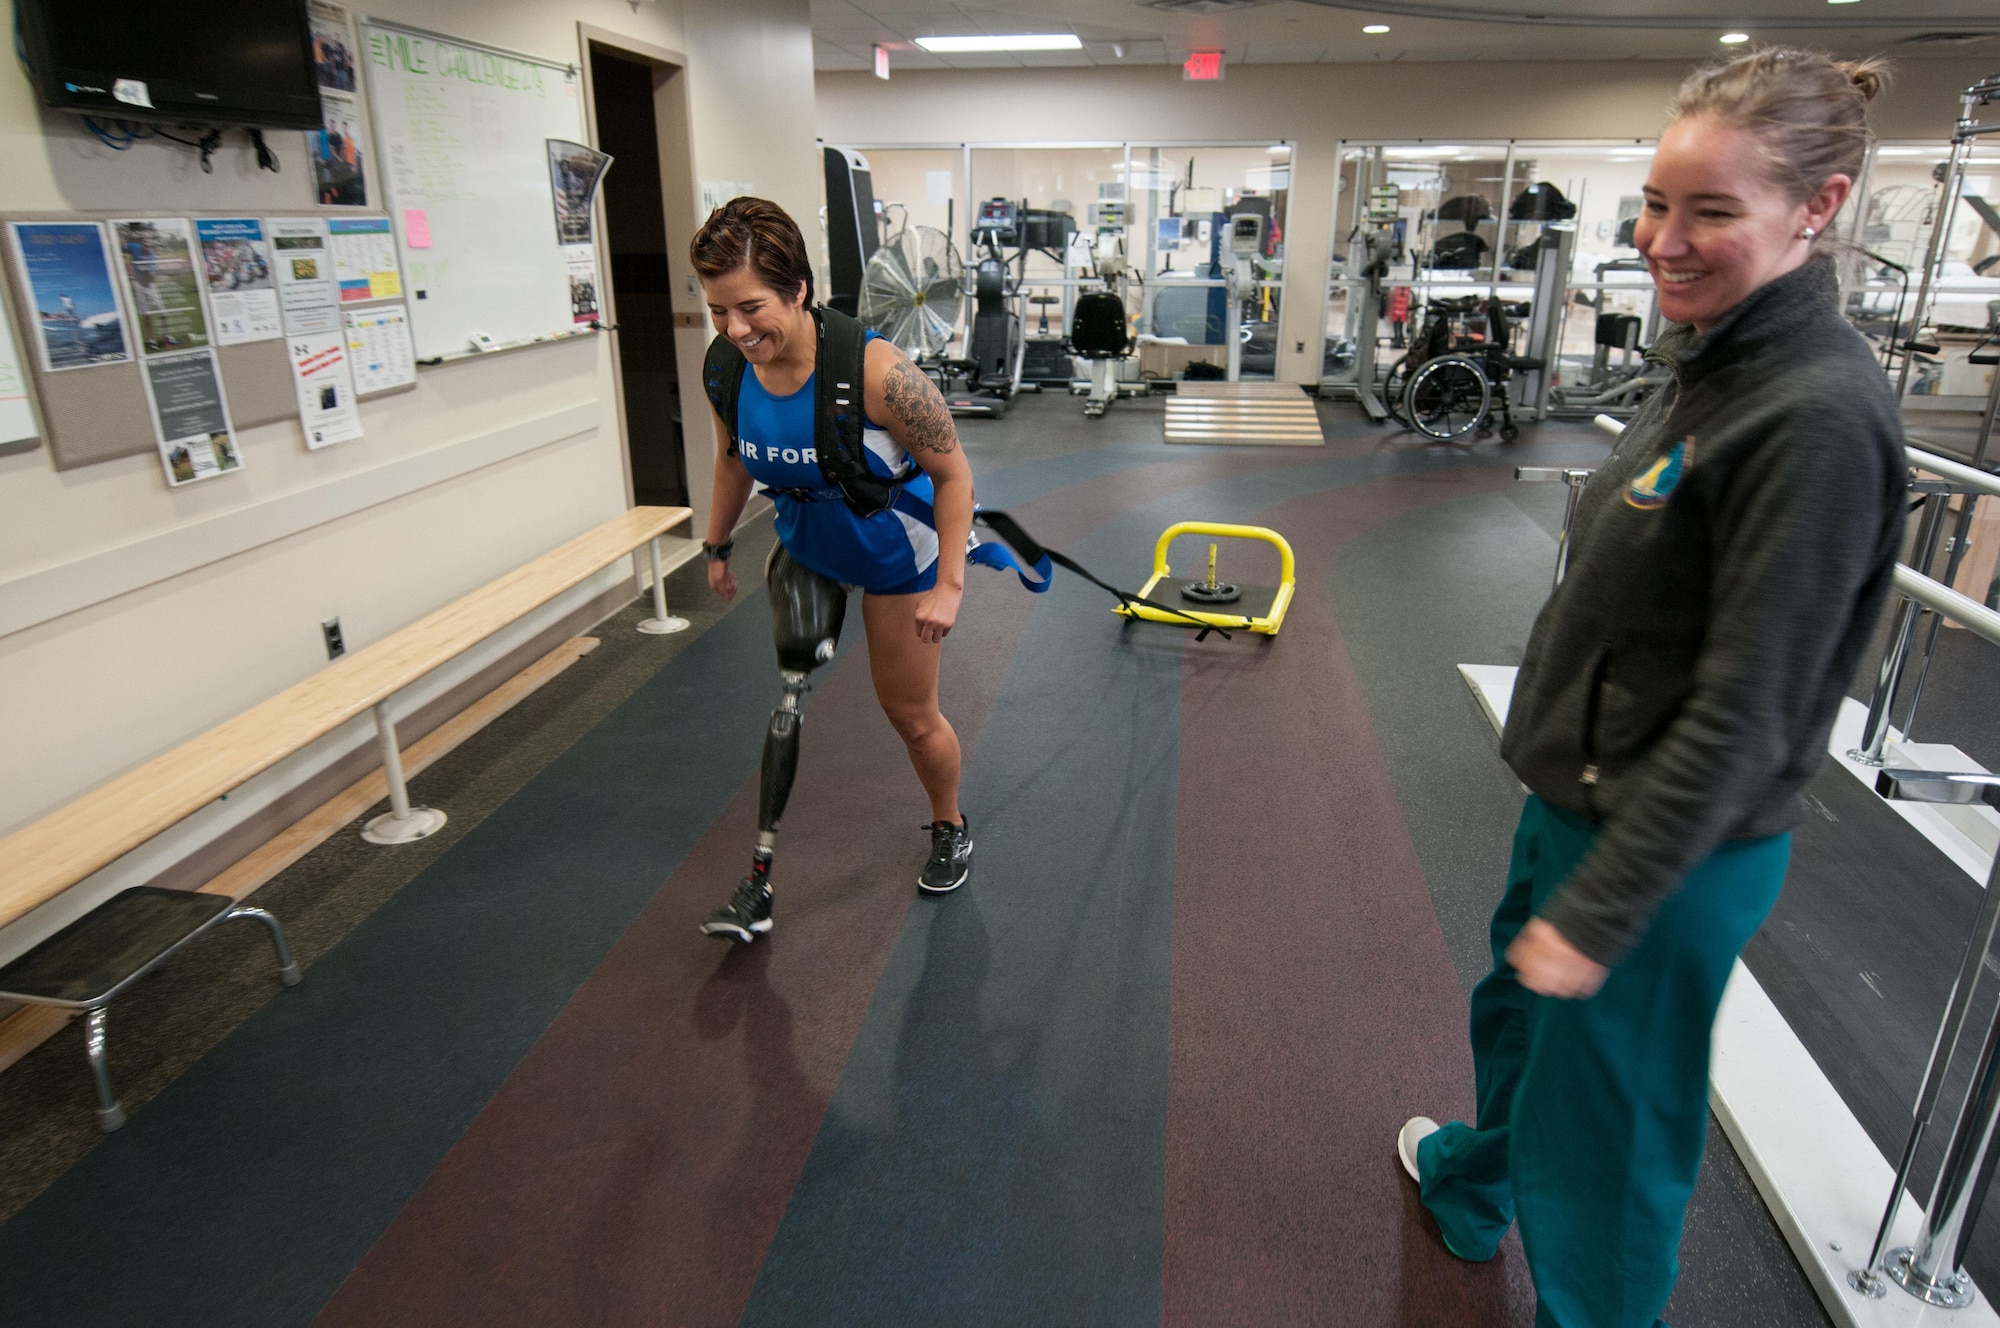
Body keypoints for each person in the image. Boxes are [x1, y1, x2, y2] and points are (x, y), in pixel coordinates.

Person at [1397, 49, 1906, 1325]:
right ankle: (1470, 1182)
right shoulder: (1713, 363)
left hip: (1664, 846)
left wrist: (1606, 903)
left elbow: (1750, 709)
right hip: (1583, 794)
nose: (1661, 241)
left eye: (1711, 212)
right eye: (1656, 202)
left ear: (1816, 207)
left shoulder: (1813, 415)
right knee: (1514, 1015)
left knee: (1610, 1153)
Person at [688, 197, 976, 943]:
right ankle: (757, 882)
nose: (736, 329)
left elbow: (953, 477)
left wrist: (949, 584)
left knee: (911, 717)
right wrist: (716, 543)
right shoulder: (725, 368)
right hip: (809, 547)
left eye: (751, 307)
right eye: (719, 310)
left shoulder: (881, 374)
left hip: (893, 555)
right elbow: (732, 460)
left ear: (798, 290)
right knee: (788, 704)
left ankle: (950, 825)